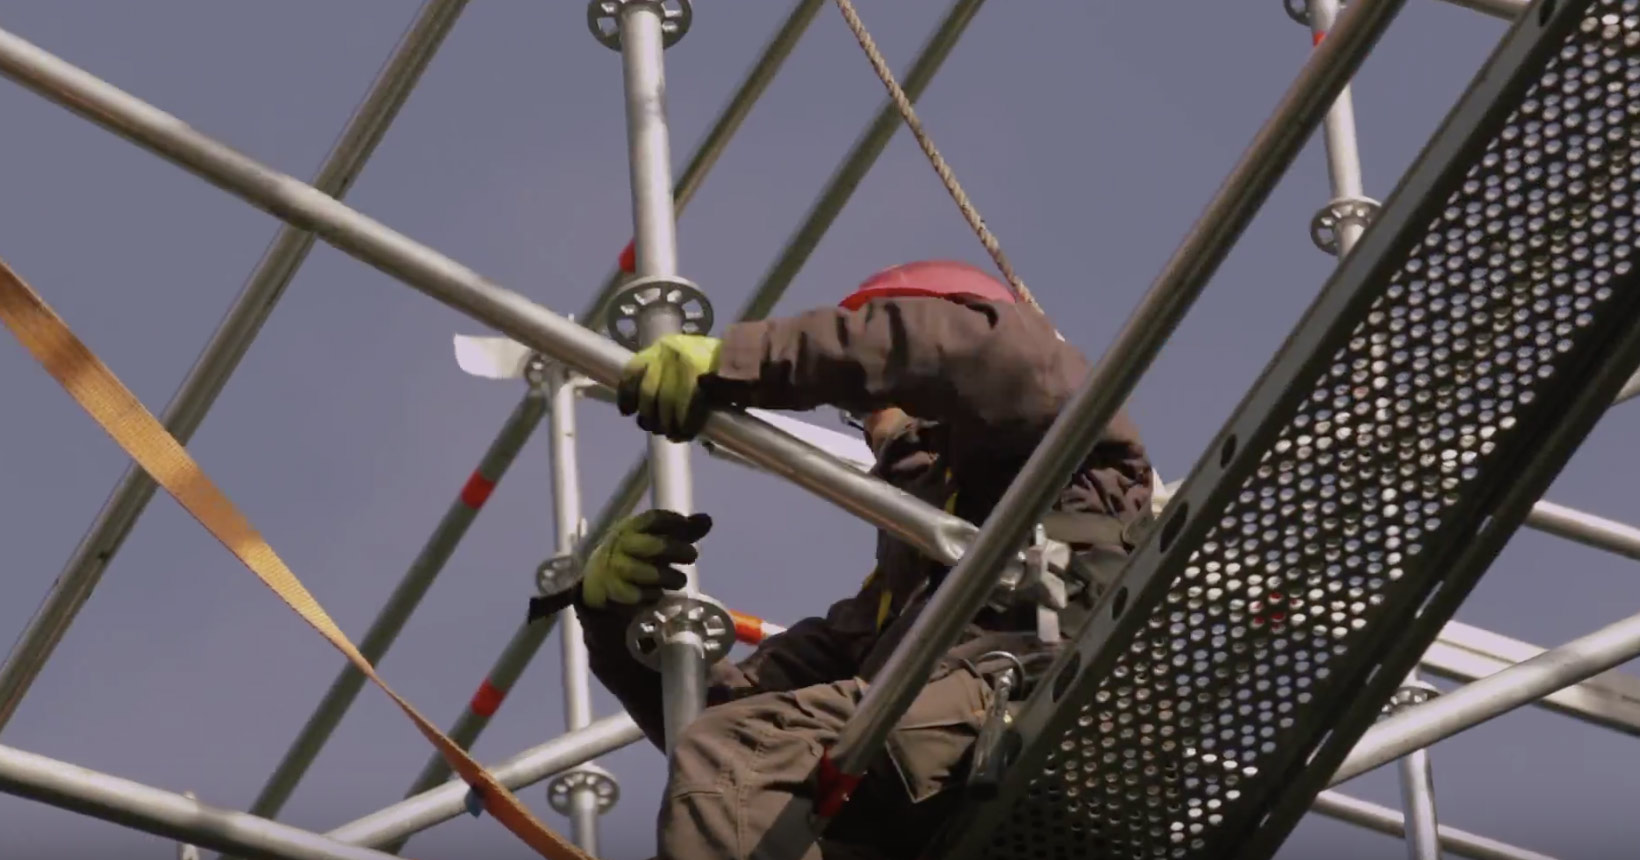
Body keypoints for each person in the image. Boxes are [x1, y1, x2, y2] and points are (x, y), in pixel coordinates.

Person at [564, 260, 1154, 859]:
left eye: (868, 398)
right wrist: (621, 619)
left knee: (742, 752)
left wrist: (742, 362)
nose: (869, 429)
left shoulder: (1055, 427)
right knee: (744, 770)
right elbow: (734, 730)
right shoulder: (894, 604)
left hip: (1059, 697)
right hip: (957, 752)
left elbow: (974, 352)